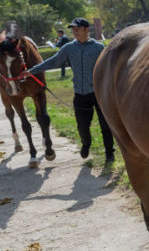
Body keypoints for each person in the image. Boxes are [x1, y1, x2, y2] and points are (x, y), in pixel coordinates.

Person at [23, 17, 115, 163]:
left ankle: (109, 153)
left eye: (77, 29)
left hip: (98, 93)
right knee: (82, 126)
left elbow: (109, 67)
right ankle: (86, 143)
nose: (75, 31)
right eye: (73, 29)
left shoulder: (98, 48)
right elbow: (53, 61)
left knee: (106, 125)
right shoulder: (69, 48)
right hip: (80, 94)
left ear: (87, 30)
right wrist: (32, 71)